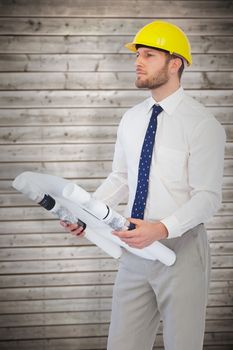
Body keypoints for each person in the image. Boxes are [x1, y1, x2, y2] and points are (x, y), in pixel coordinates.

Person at [61, 20, 226, 350]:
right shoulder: (132, 118)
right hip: (133, 250)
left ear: (175, 63)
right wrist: (85, 213)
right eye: (138, 55)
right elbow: (120, 179)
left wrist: (162, 229)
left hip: (182, 251)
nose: (138, 61)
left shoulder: (202, 124)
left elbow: (209, 197)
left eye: (149, 55)